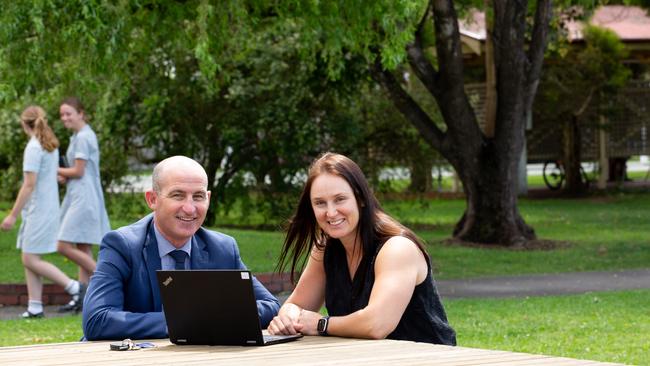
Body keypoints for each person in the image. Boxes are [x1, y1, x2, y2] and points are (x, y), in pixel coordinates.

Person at [82, 155, 280, 340]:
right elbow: (97, 320)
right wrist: (184, 321)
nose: (190, 208)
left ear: (208, 198)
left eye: (198, 196)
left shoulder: (222, 248)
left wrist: (214, 316)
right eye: (178, 195)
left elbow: (271, 306)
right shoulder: (122, 245)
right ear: (152, 199)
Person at [268, 152, 456, 345]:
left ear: (361, 199)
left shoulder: (397, 248)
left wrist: (321, 324)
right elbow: (296, 304)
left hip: (428, 359)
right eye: (320, 203)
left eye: (340, 199)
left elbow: (377, 324)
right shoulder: (325, 248)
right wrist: (290, 314)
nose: (331, 212)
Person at [1, 106, 85, 318]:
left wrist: (12, 215)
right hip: (46, 209)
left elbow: (29, 185)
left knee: (30, 258)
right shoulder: (49, 145)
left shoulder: (33, 147)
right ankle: (35, 306)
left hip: (38, 210)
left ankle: (75, 287)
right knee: (30, 256)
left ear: (24, 124)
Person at [56, 97, 110, 313]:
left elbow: (78, 171)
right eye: (62, 114)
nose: (65, 118)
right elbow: (79, 172)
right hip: (80, 194)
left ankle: (107, 277)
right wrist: (64, 176)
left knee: (63, 245)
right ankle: (85, 298)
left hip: (83, 198)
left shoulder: (83, 137)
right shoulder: (79, 136)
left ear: (81, 113)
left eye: (69, 113)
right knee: (83, 247)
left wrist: (54, 170)